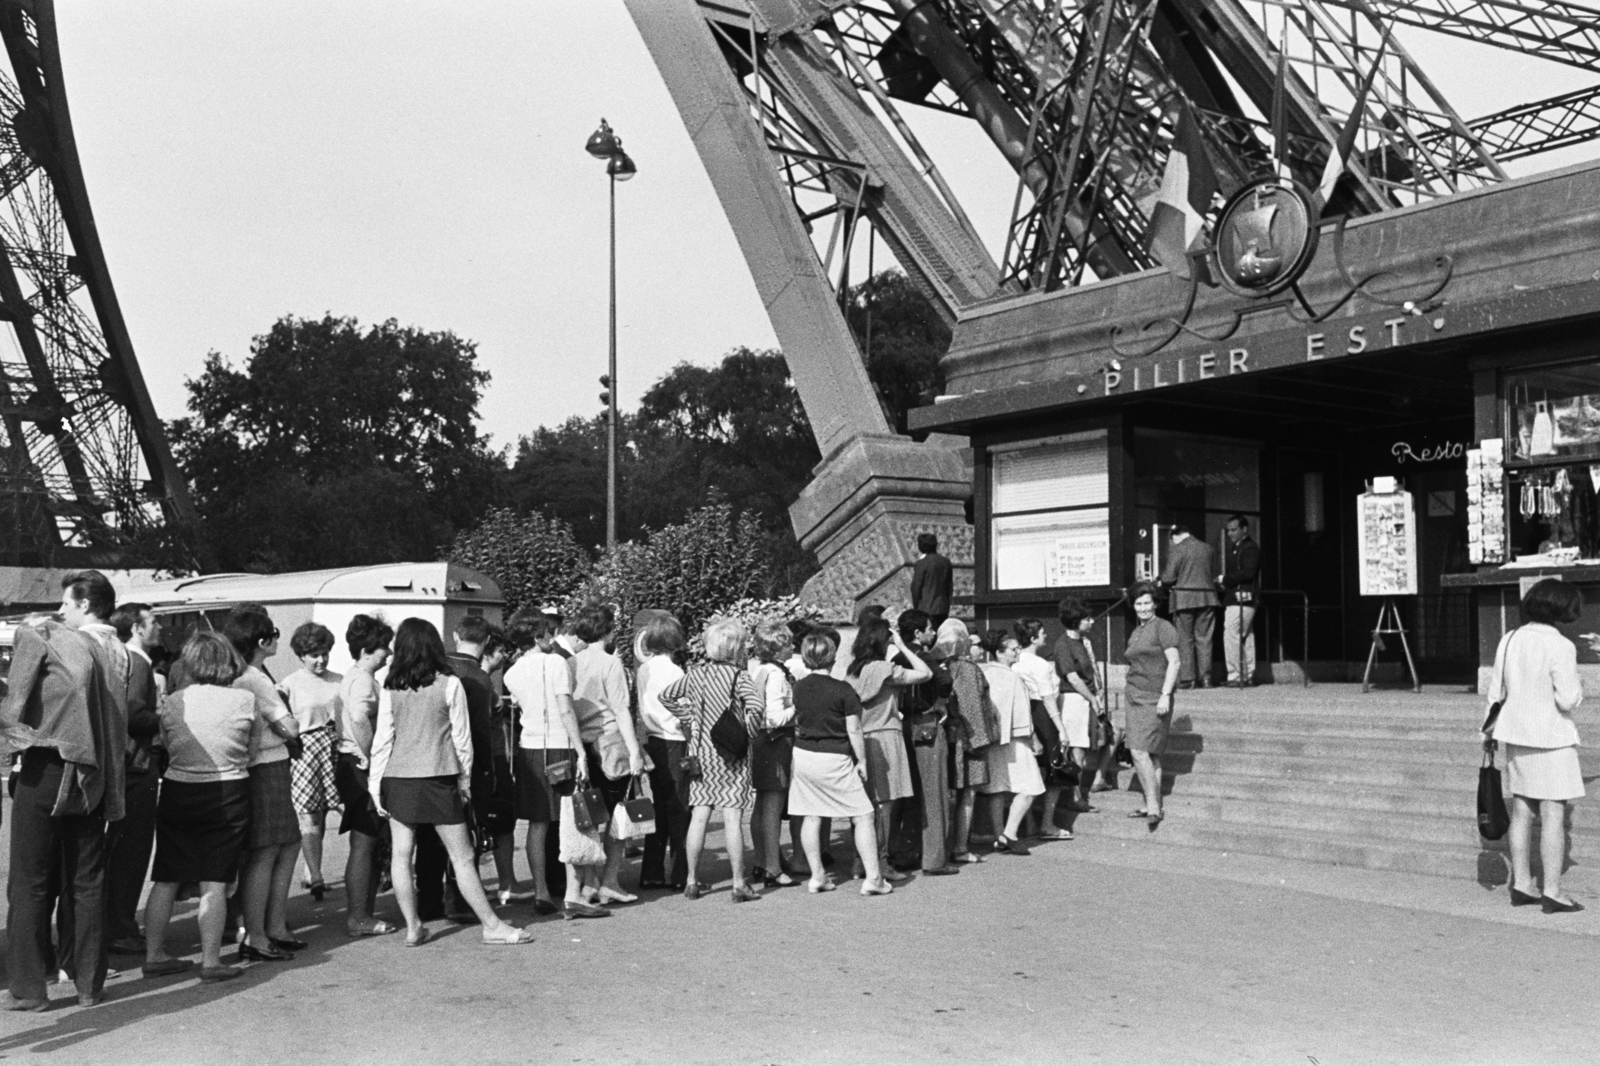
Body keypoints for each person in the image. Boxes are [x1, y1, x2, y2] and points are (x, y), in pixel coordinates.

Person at [2, 571, 127, 1010]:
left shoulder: (44, 638)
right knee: (87, 882)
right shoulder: (116, 653)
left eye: (67, 604)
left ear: (83, 606)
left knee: (30, 881)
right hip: (92, 775)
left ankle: (28, 987)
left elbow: (13, 707)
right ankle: (89, 985)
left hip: (46, 768)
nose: (61, 611)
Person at [369, 618, 531, 946]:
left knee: (402, 854)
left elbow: (383, 739)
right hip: (439, 776)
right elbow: (462, 740)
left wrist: (375, 786)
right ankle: (491, 925)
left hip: (397, 777)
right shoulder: (449, 683)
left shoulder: (390, 684)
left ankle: (413, 926)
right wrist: (466, 781)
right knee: (461, 855)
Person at [142, 632, 285, 983]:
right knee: (215, 879)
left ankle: (154, 954)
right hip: (227, 790)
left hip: (178, 789)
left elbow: (165, 743)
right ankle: (210, 961)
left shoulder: (174, 701)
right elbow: (251, 753)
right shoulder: (244, 699)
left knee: (166, 877)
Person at [1488, 579, 1586, 912]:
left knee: (1522, 811)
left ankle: (1523, 884)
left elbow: (1495, 694)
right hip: (1551, 739)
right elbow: (1568, 699)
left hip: (1516, 736)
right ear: (1561, 607)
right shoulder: (1560, 645)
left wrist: (1487, 735)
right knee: (1553, 813)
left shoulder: (1509, 639)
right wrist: (1581, 686)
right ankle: (1553, 891)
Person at [660, 618, 765, 902]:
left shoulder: (695, 674)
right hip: (732, 756)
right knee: (732, 818)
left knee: (700, 815)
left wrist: (688, 718)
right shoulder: (739, 677)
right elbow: (756, 707)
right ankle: (738, 883)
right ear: (736, 648)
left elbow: (666, 696)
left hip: (700, 753)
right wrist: (749, 732)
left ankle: (691, 880)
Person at [503, 611, 598, 919]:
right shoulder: (555, 663)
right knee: (571, 820)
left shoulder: (511, 673)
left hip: (530, 749)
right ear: (535, 637)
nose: (551, 638)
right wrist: (580, 751)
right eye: (546, 633)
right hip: (560, 747)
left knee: (538, 823)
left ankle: (542, 891)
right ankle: (573, 893)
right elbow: (565, 709)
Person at [788, 633, 894, 896]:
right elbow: (855, 730)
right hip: (835, 756)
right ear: (833, 657)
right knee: (863, 815)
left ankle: (818, 876)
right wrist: (863, 761)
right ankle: (874, 878)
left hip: (804, 754)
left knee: (811, 814)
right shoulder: (843, 690)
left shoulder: (798, 687)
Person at [227, 604, 304, 962]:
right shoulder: (257, 677)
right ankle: (259, 932)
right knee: (270, 848)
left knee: (282, 845)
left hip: (255, 766)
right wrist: (289, 728)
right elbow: (289, 726)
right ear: (262, 640)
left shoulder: (235, 672)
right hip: (268, 765)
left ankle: (270, 926)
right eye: (273, 634)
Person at [843, 617, 931, 881]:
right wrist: (903, 646)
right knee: (886, 805)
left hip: (860, 738)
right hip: (887, 737)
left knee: (864, 805)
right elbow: (925, 673)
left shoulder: (852, 671)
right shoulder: (886, 670)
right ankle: (881, 863)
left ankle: (860, 861)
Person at [448, 616, 523, 907]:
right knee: (494, 820)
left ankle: (498, 883)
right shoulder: (479, 679)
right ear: (488, 648)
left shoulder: (467, 675)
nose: (505, 656)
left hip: (479, 758)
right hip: (487, 759)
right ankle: (502, 883)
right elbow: (480, 729)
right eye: (501, 651)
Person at [571, 605, 644, 904]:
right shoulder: (611, 663)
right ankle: (610, 880)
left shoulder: (571, 663)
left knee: (589, 816)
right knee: (620, 814)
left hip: (583, 745)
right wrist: (635, 751)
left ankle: (590, 881)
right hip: (611, 741)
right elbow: (620, 709)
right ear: (608, 630)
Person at [104, 601, 163, 957]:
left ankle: (117, 923)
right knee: (132, 852)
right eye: (153, 621)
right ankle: (121, 927)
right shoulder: (137, 663)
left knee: (121, 850)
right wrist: (167, 718)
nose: (159, 627)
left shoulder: (124, 660)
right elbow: (134, 714)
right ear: (137, 628)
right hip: (137, 767)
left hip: (127, 767)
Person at [334, 614, 397, 937]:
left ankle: (363, 913)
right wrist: (375, 757)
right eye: (384, 647)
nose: (388, 653)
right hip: (360, 768)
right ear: (367, 649)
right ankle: (358, 916)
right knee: (365, 841)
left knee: (367, 842)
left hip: (352, 765)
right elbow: (359, 717)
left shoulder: (356, 676)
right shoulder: (361, 679)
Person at [890, 609, 959, 876]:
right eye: (929, 629)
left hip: (901, 726)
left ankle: (905, 850)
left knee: (906, 795)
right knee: (934, 793)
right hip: (926, 725)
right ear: (918, 633)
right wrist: (940, 704)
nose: (933, 633)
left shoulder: (896, 657)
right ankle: (934, 859)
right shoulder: (925, 657)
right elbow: (944, 680)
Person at [280, 622, 343, 903]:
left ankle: (310, 869)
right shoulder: (289, 683)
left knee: (329, 809)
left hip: (334, 747)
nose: (321, 660)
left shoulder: (340, 681)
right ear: (301, 655)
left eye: (324, 653)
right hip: (305, 750)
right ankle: (316, 875)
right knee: (309, 814)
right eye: (314, 654)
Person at [977, 629, 1046, 855]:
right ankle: (1010, 833)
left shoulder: (982, 671)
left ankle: (1000, 836)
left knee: (996, 788)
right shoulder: (1012, 677)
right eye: (1013, 649)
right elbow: (1021, 714)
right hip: (1015, 740)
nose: (1018, 652)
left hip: (990, 739)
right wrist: (1033, 739)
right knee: (1031, 786)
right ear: (1000, 653)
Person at [936, 618, 998, 864]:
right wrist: (982, 740)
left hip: (942, 735)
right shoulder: (969, 669)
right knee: (967, 794)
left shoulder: (936, 666)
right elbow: (974, 709)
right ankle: (960, 846)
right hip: (967, 739)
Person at [635, 613, 690, 891]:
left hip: (654, 739)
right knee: (679, 808)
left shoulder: (644, 668)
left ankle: (652, 871)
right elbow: (682, 710)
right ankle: (681, 872)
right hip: (674, 739)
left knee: (659, 808)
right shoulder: (675, 671)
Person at [1122, 582, 1180, 827]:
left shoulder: (1163, 627)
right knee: (1150, 753)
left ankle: (1154, 805)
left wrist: (1165, 694)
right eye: (1138, 603)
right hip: (1134, 697)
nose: (1143, 608)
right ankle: (1150, 804)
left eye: (1147, 603)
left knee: (1138, 751)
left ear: (1155, 604)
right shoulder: (1137, 631)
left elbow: (1174, 663)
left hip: (1154, 697)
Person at [747, 621, 798, 888]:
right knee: (773, 807)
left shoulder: (760, 670)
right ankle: (773, 868)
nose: (793, 647)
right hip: (776, 741)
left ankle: (760, 860)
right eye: (788, 643)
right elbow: (776, 717)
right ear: (778, 648)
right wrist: (796, 707)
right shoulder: (777, 675)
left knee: (761, 806)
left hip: (760, 741)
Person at [1012, 618, 1072, 839]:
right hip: (1043, 716)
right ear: (1033, 638)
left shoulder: (1016, 663)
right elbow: (1048, 699)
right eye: (1042, 633)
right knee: (1053, 769)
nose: (1045, 635)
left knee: (1031, 769)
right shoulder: (1039, 665)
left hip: (1025, 715)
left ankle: (1028, 823)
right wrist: (1061, 729)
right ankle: (1047, 823)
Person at [1052, 599, 1104, 808]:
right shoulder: (1063, 645)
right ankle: (1075, 797)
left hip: (1087, 699)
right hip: (1074, 700)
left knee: (1101, 740)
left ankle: (1085, 789)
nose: (1091, 621)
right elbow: (1072, 678)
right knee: (1077, 752)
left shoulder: (1083, 641)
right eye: (1086, 619)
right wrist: (1092, 699)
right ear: (1075, 622)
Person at [1159, 525, 1219, 688]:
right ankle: (1206, 678)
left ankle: (1188, 679)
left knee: (1185, 638)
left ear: (1175, 537)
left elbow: (1168, 578)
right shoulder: (1208, 548)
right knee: (1205, 638)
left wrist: (1161, 580)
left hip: (1184, 600)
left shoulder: (1178, 549)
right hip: (1207, 598)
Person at [1218, 514, 1262, 686]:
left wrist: (1224, 579)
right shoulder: (1240, 547)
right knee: (1245, 636)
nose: (1230, 534)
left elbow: (1248, 572)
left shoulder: (1249, 548)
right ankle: (1247, 674)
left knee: (1232, 634)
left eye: (1234, 530)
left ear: (1244, 529)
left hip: (1241, 597)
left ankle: (1237, 675)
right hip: (1242, 597)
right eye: (1228, 530)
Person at [910, 533, 954, 627]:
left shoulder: (921, 563)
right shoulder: (946, 562)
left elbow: (916, 587)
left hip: (926, 608)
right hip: (943, 607)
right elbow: (949, 586)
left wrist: (916, 606)